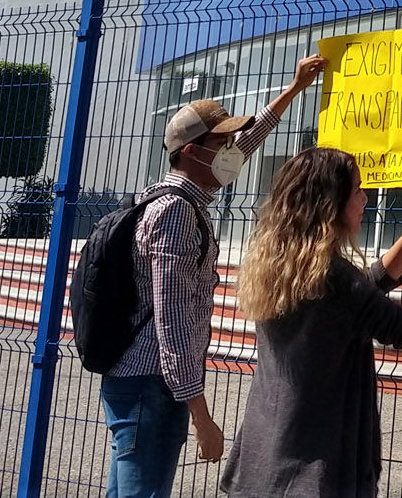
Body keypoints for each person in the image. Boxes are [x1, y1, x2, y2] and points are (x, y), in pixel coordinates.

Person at [99, 50, 327, 498]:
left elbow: (246, 142)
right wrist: (201, 417)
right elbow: (173, 322)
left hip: (142, 382)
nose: (231, 152)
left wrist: (295, 88)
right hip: (151, 387)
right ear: (190, 152)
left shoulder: (169, 198)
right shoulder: (175, 215)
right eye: (220, 144)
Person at [219, 151, 402, 498]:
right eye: (357, 190)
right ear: (332, 204)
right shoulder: (336, 279)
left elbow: (361, 290)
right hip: (316, 474)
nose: (365, 198)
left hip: (263, 460)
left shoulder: (282, 263)